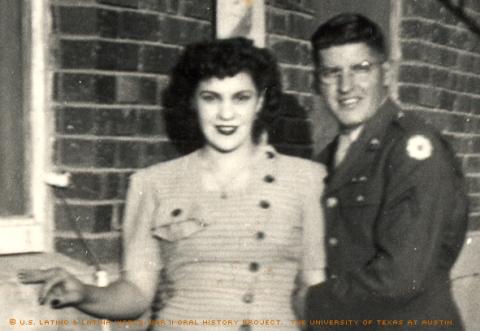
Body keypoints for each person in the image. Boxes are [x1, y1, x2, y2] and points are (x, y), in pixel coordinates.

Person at [19, 37, 326, 331]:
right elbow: (137, 293)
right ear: (193, 102)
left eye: (241, 98)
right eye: (211, 98)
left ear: (260, 102)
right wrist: (85, 293)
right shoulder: (153, 183)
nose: (226, 114)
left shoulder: (306, 180)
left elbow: (314, 290)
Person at [306, 13, 469, 331]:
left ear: (387, 73)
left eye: (360, 68)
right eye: (331, 72)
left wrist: (313, 302)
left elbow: (402, 277)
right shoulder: (328, 158)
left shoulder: (413, 150)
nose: (346, 86)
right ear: (316, 81)